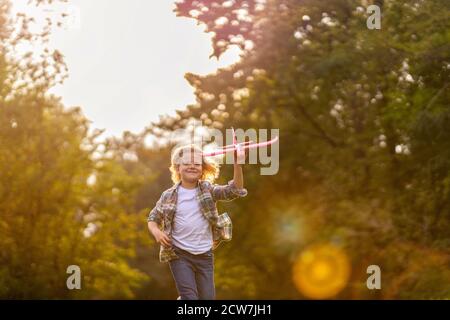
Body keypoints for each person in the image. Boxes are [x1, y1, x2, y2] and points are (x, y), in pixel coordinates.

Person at [147, 144, 247, 300]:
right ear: (178, 168)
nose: (192, 166)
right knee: (190, 298)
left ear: (203, 168)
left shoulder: (207, 189)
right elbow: (152, 218)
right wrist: (156, 232)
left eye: (197, 163)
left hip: (204, 255)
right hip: (179, 254)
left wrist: (238, 164)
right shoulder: (168, 196)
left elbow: (234, 190)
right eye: (186, 163)